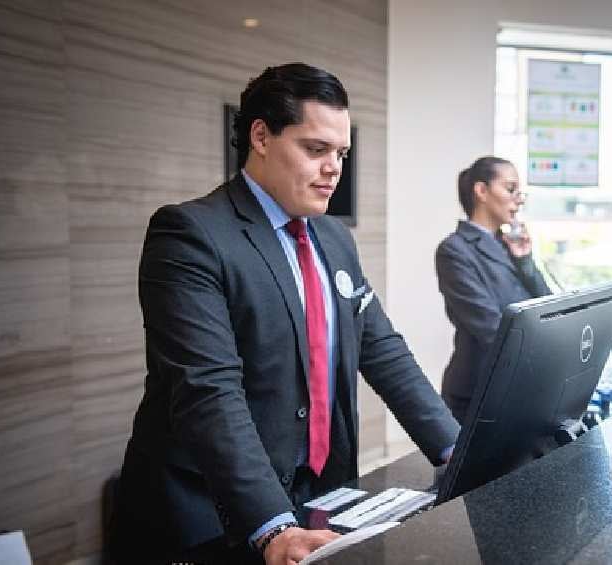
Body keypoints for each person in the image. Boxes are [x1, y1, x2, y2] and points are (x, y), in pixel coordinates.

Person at [109, 63, 459, 565]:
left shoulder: (333, 237)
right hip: (209, 514)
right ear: (261, 136)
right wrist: (273, 526)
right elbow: (208, 390)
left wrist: (455, 450)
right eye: (315, 149)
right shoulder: (191, 234)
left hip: (310, 498)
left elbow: (382, 350)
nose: (334, 167)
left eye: (340, 153)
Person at [435, 157, 552, 424]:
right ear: (482, 191)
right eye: (510, 189)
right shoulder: (454, 250)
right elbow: (491, 327)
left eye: (519, 192)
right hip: (480, 392)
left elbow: (547, 306)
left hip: (517, 387)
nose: (518, 200)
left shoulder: (509, 244)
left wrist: (525, 262)